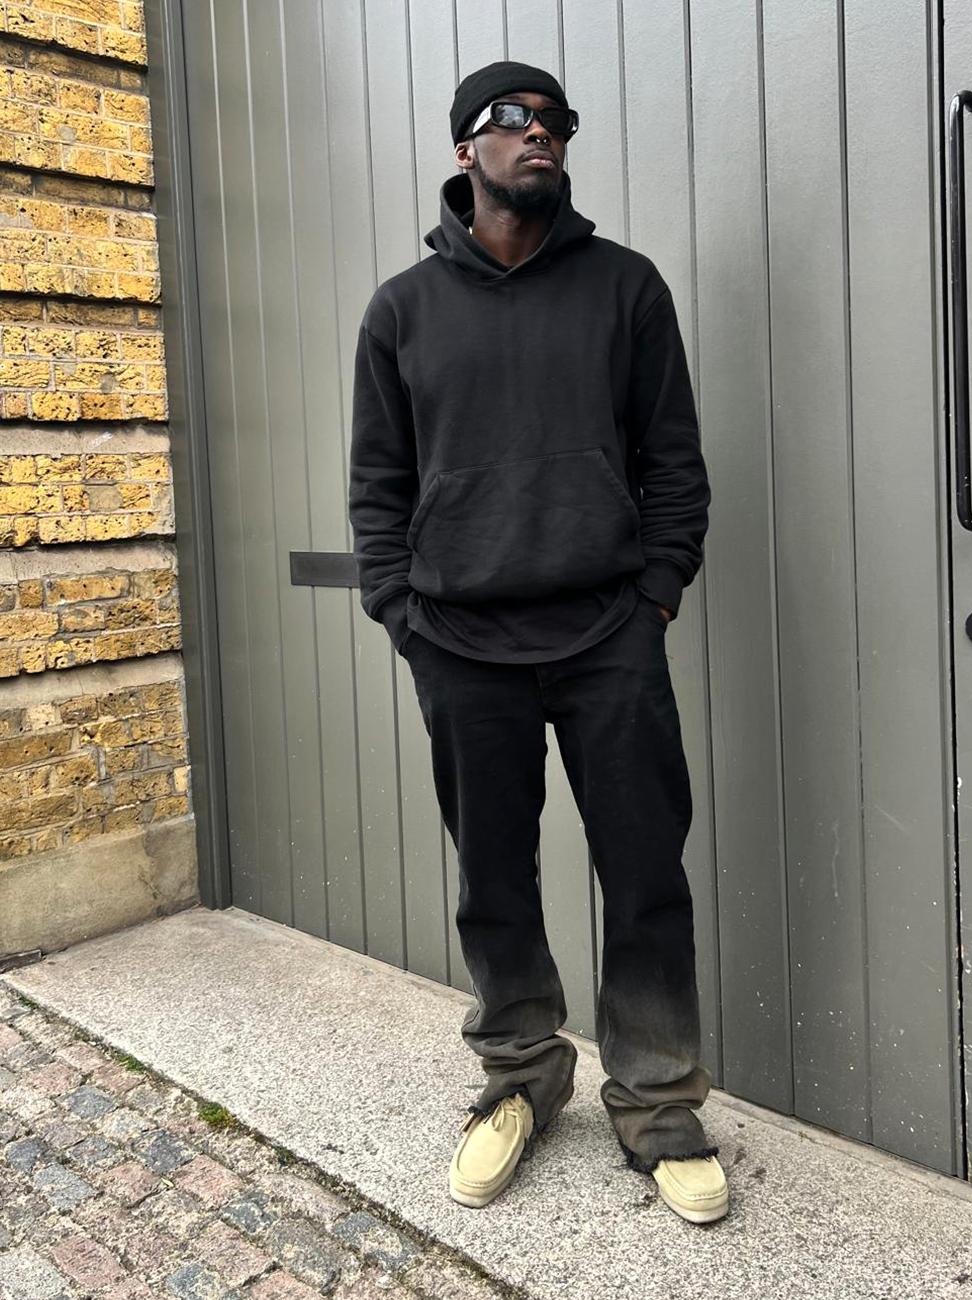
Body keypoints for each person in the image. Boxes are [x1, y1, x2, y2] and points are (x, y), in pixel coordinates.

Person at [348, 59, 727, 1225]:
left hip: (609, 634)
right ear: (467, 149)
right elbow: (378, 484)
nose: (542, 134)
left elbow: (674, 465)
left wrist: (655, 594)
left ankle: (657, 1101)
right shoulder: (403, 310)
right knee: (495, 879)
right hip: (463, 645)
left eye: (557, 121)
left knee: (645, 873)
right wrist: (403, 613)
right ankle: (520, 1076)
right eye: (513, 119)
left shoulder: (625, 289)